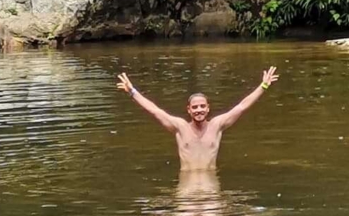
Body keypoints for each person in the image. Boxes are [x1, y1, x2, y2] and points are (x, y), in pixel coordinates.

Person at [117, 67, 278, 174]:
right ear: (189, 110)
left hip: (210, 184)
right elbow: (154, 110)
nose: (199, 109)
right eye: (195, 107)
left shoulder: (217, 125)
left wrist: (263, 86)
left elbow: (242, 106)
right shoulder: (180, 127)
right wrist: (132, 91)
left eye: (202, 106)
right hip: (186, 186)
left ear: (208, 108)